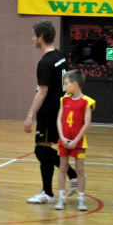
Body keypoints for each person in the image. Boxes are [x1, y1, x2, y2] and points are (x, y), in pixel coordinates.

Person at [24, 20, 79, 204]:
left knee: (41, 150)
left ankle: (49, 191)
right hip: (60, 111)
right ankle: (69, 179)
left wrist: (30, 116)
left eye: (34, 35)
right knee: (42, 149)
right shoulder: (59, 55)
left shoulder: (45, 62)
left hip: (49, 112)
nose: (32, 38)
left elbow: (42, 92)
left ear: (41, 36)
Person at [54, 70, 95, 211]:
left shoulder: (86, 101)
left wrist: (76, 140)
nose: (64, 86)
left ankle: (81, 198)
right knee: (63, 168)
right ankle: (61, 197)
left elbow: (87, 124)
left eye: (65, 84)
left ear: (75, 84)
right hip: (64, 140)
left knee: (79, 168)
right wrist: (62, 137)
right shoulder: (64, 100)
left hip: (78, 142)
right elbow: (59, 119)